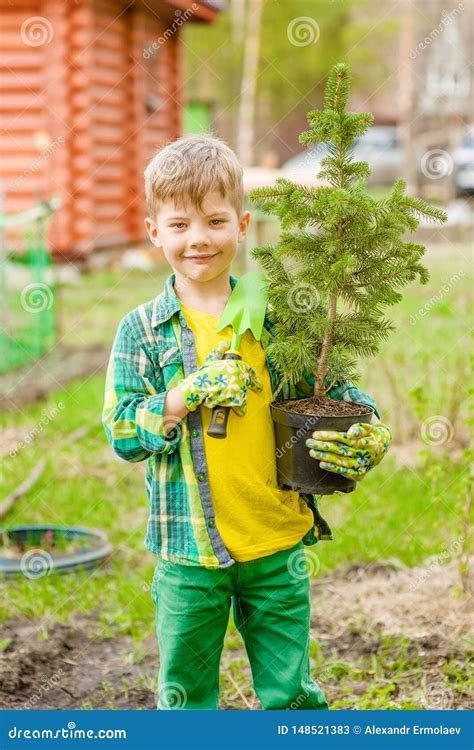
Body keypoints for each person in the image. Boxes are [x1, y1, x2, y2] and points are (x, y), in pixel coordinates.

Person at [102, 135, 392, 710]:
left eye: (214, 221)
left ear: (241, 225)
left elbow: (334, 392)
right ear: (155, 232)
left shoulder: (275, 318)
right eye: (180, 225)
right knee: (186, 700)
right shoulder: (141, 331)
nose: (199, 239)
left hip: (278, 545)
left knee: (291, 694)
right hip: (189, 555)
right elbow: (122, 433)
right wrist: (180, 397)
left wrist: (372, 429)